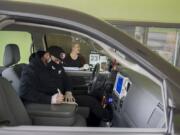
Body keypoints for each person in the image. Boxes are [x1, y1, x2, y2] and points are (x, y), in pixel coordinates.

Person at [20, 46, 112, 126]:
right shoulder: (31, 69)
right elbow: (25, 92)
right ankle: (109, 118)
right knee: (91, 102)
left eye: (60, 61)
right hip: (50, 102)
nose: (58, 63)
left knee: (94, 94)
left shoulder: (56, 64)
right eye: (56, 60)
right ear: (47, 55)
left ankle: (94, 123)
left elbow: (66, 78)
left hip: (63, 95)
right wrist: (51, 99)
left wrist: (68, 91)